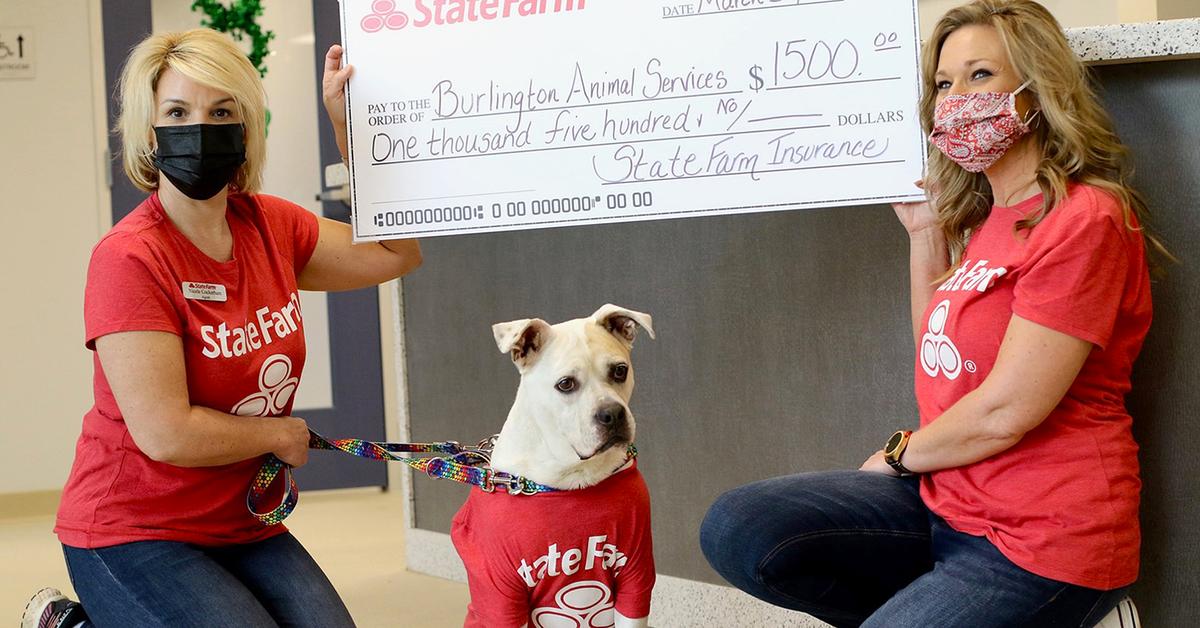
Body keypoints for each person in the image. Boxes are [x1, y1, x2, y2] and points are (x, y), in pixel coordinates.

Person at [699, 1, 1166, 626]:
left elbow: (1006, 412)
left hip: (1042, 542)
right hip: (946, 503)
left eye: (981, 76)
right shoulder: (988, 221)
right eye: (944, 83)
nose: (956, 99)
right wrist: (926, 235)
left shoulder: (1086, 217)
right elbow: (938, 352)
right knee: (738, 528)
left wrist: (898, 454)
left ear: (1037, 90)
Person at [21, 29, 419, 628]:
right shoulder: (129, 258)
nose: (199, 128)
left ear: (245, 128)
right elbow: (166, 433)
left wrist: (351, 130)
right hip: (131, 528)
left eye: (221, 111)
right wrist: (278, 435)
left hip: (238, 520)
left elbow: (396, 251)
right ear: (151, 134)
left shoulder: (270, 227)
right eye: (178, 112)